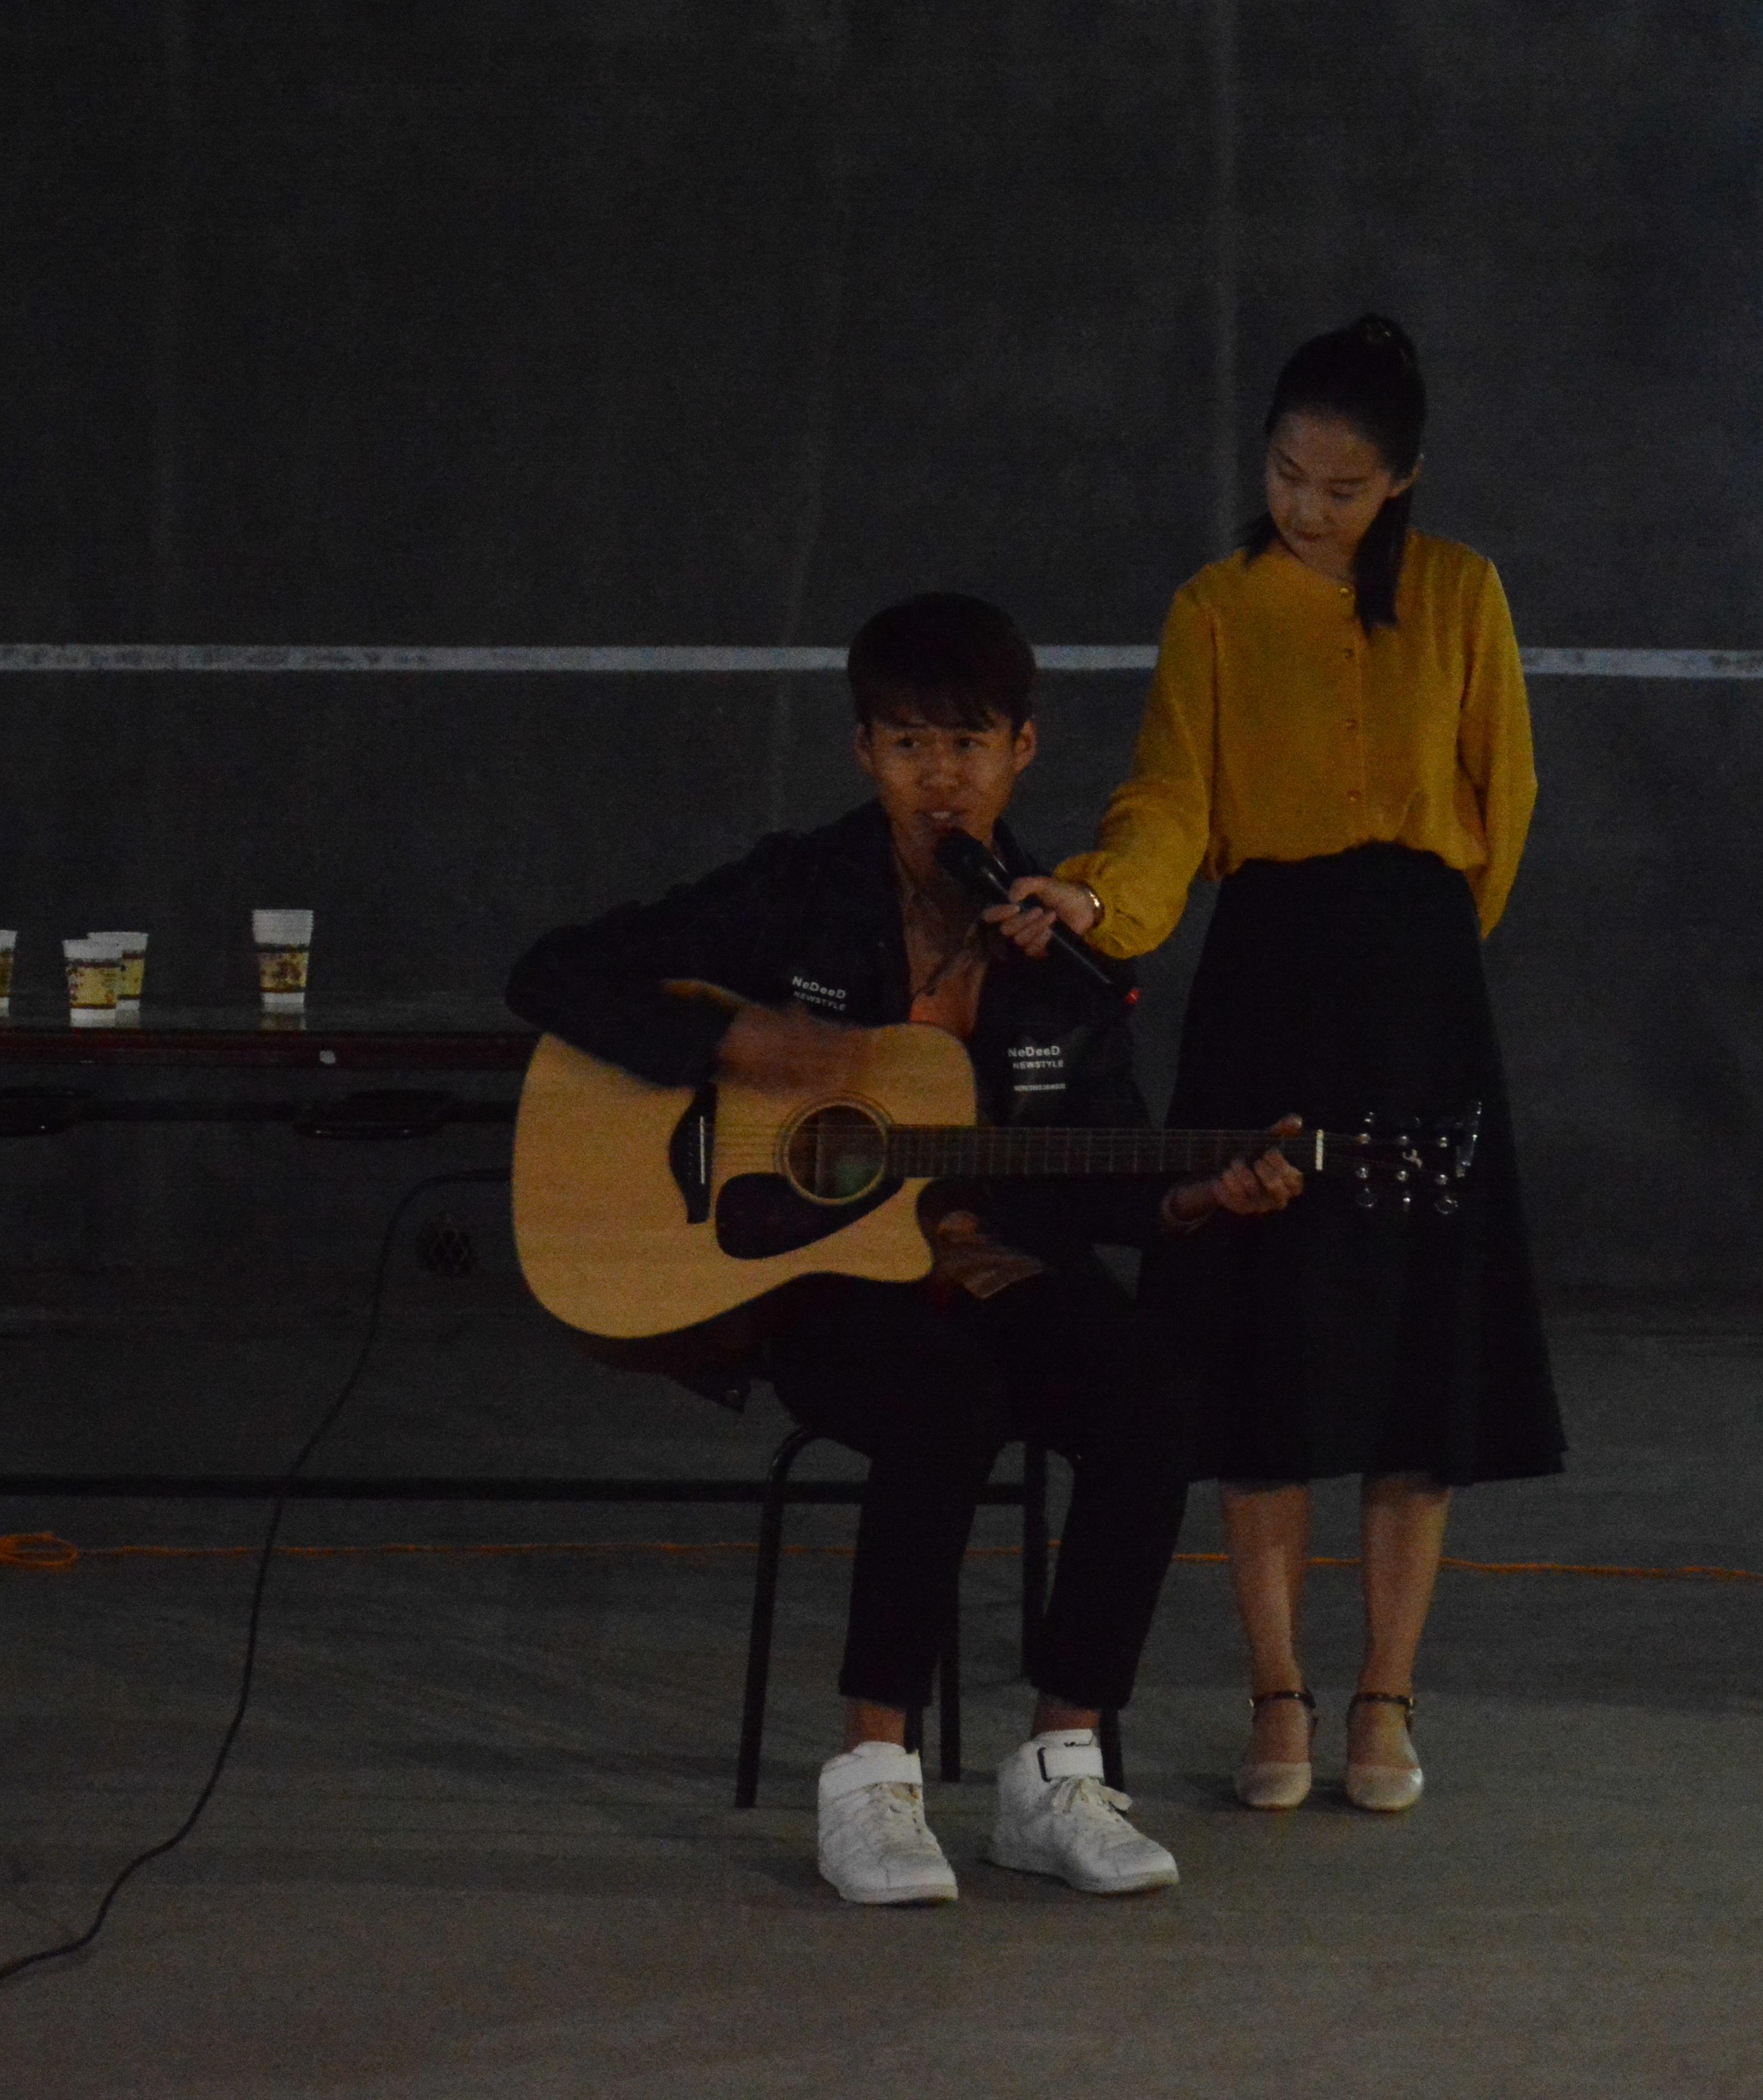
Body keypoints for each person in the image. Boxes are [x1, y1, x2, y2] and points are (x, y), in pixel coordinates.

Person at [506, 592, 1304, 1907]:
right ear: (864, 752)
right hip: (811, 1285)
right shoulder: (803, 891)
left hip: (995, 1268)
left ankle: (1059, 1768)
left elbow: (1109, 1172)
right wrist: (733, 1040)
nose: (941, 777)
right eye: (909, 745)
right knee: (948, 1395)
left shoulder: (1062, 951)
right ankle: (874, 1779)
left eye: (969, 744)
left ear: (1022, 751)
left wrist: (1199, 1194)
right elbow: (552, 971)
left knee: (1156, 1390)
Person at [992, 316, 1564, 1816]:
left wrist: (1425, 944)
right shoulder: (1216, 609)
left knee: (1415, 1361)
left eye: (1344, 487)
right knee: (1263, 1350)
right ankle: (1277, 1694)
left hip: (1422, 992)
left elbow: (1505, 794)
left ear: (1405, 481)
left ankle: (1386, 1695)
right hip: (1270, 984)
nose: (1308, 507)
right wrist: (1098, 901)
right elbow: (1172, 801)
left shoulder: (1461, 594)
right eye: (1288, 475)